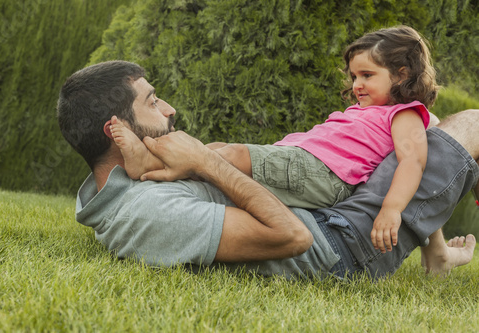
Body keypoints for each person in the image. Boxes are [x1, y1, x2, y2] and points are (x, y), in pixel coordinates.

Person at [57, 59, 476, 282]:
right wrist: (207, 162)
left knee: (421, 128)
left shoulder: (125, 188)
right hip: (345, 247)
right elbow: (293, 237)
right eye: (151, 102)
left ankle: (436, 254)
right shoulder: (146, 213)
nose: (169, 109)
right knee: (469, 124)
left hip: (331, 218)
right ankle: (436, 254)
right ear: (115, 130)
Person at [109, 26, 440, 254]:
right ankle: (159, 162)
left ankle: (149, 161)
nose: (356, 84)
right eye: (354, 76)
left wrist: (392, 210)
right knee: (217, 150)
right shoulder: (365, 110)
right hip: (303, 164)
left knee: (232, 153)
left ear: (402, 74)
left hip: (322, 175)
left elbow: (413, 160)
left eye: (368, 75)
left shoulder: (405, 113)